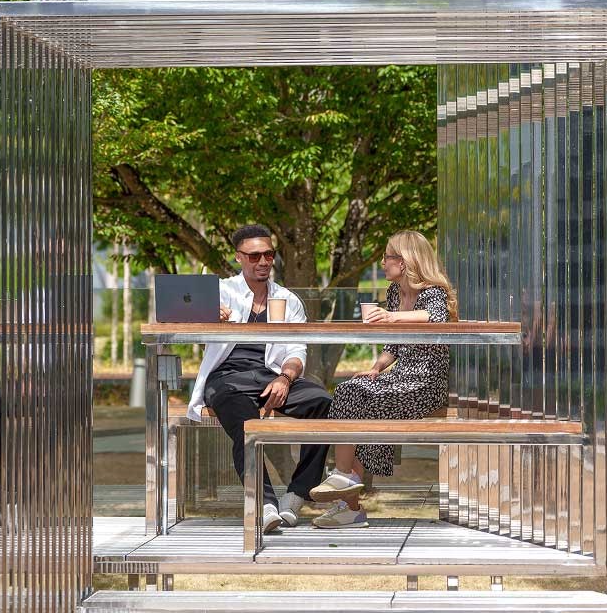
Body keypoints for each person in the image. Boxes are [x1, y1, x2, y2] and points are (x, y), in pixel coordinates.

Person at [188, 224, 332, 533]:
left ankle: (296, 494)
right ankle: (265, 504)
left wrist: (285, 379)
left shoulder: (288, 300)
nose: (263, 262)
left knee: (322, 402)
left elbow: (297, 351)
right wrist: (205, 316)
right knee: (245, 422)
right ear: (238, 257)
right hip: (226, 378)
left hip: (269, 377)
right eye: (254, 256)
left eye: (268, 254)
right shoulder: (220, 292)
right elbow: (177, 320)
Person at [309, 230, 457, 529]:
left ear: (404, 261)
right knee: (349, 390)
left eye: (387, 257)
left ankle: (347, 500)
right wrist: (376, 368)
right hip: (399, 377)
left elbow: (436, 317)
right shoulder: (393, 293)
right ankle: (345, 481)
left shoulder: (433, 292)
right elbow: (393, 345)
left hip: (427, 384)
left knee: (367, 406)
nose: (382, 262)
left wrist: (392, 317)